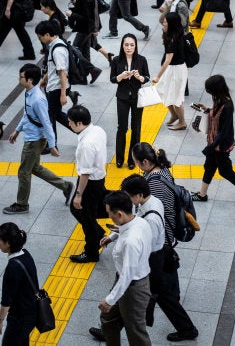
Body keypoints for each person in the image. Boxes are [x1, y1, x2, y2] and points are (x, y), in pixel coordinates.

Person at [118, 175, 198, 342]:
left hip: (154, 260)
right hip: (156, 258)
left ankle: (188, 329)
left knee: (156, 295)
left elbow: (147, 242)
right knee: (160, 296)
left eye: (128, 195)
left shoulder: (152, 216)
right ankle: (110, 325)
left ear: (139, 195)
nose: (127, 200)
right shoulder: (151, 201)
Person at [6, 64, 74, 214]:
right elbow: (27, 114)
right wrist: (17, 130)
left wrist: (52, 145)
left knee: (24, 172)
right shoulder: (28, 92)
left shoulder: (37, 99)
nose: (19, 79)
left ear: (30, 80)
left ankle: (22, 204)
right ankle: (66, 186)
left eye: (21, 77)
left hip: (34, 141)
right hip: (30, 136)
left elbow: (47, 123)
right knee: (35, 168)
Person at [98, 191, 153, 346]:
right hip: (127, 283)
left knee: (136, 332)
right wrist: (112, 237)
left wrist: (110, 299)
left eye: (110, 214)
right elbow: (125, 227)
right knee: (108, 319)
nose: (109, 217)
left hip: (132, 289)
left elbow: (128, 275)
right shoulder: (139, 221)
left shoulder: (130, 241)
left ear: (120, 214)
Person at [190, 75, 235, 204]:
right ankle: (202, 194)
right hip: (215, 141)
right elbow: (216, 114)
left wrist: (211, 146)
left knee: (225, 171)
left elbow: (225, 131)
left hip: (221, 144)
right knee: (209, 167)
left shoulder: (227, 106)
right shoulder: (220, 99)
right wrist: (206, 109)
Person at [67, 105, 108, 263]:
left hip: (90, 183)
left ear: (78, 123)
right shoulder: (97, 130)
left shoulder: (86, 144)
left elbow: (85, 172)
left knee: (86, 216)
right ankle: (98, 233)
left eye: (70, 122)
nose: (68, 124)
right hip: (98, 179)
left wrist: (78, 194)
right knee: (78, 210)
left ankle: (91, 252)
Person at [0, 222, 39, 345]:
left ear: (8, 243)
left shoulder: (13, 268)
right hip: (32, 312)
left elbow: (7, 300)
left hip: (20, 318)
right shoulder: (26, 254)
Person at [110, 34, 150, 169]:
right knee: (122, 128)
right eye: (126, 45)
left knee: (136, 128)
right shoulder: (116, 60)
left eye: (132, 45)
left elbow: (147, 77)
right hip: (122, 97)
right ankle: (119, 158)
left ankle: (133, 159)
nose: (129, 47)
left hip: (137, 97)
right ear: (122, 45)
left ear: (135, 46)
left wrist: (140, 77)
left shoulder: (141, 60)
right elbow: (112, 78)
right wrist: (121, 76)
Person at [35, 20, 73, 150]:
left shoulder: (58, 50)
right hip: (54, 86)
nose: (40, 39)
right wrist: (45, 78)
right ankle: (81, 129)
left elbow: (62, 72)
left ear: (47, 34)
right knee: (55, 114)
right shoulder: (53, 45)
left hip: (57, 89)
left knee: (50, 115)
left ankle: (52, 145)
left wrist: (63, 94)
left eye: (40, 37)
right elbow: (53, 67)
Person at [153, 12, 188, 130]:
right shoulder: (173, 34)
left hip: (176, 70)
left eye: (165, 21)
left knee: (176, 98)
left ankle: (182, 122)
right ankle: (174, 115)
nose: (163, 23)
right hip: (173, 69)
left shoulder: (173, 39)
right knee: (161, 90)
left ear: (171, 24)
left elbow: (167, 61)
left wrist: (157, 76)